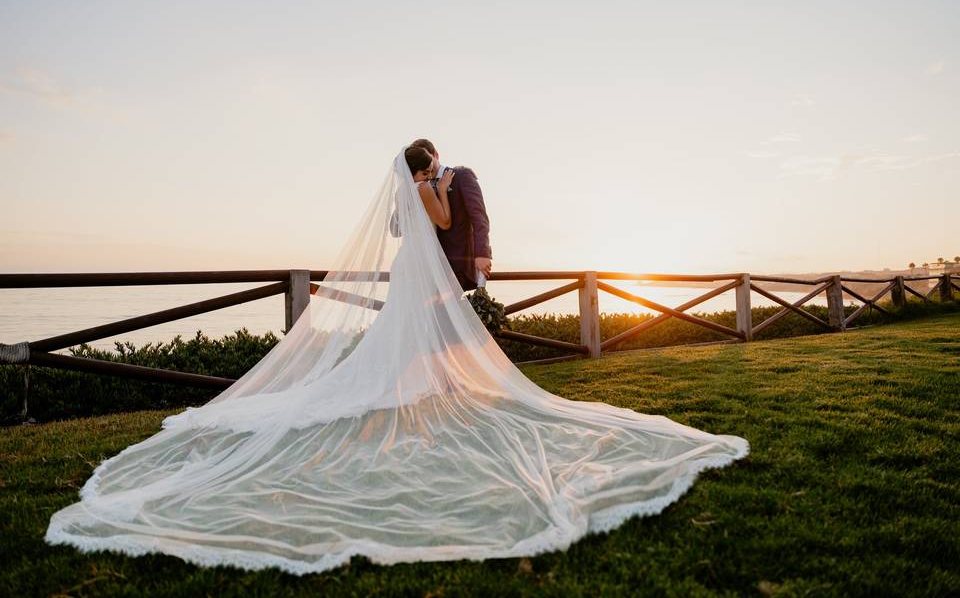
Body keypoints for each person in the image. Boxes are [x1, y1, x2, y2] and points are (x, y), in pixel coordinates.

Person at [45, 147, 749, 576]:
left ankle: (418, 384)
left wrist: (453, 216)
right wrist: (440, 189)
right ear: (420, 165)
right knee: (420, 339)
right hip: (428, 265)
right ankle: (419, 386)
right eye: (431, 160)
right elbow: (443, 221)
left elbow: (432, 228)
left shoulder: (413, 190)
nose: (439, 166)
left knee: (409, 339)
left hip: (421, 270)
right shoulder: (427, 187)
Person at [411, 138, 492, 291]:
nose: (425, 167)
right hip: (428, 266)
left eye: (427, 159)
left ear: (436, 155)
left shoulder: (461, 176)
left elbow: (479, 217)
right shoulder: (420, 186)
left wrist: (482, 253)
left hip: (456, 264)